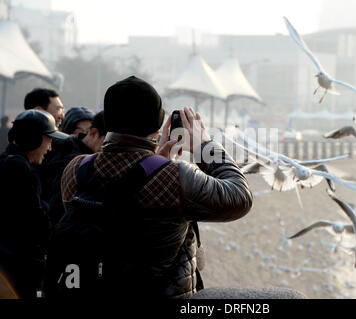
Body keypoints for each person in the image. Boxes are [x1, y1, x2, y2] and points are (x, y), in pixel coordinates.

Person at [58, 75, 253, 298]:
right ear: (156, 125)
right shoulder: (175, 176)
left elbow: (107, 218)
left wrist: (154, 162)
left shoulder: (76, 169)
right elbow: (240, 196)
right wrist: (204, 145)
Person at [0, 110, 68, 299]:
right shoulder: (19, 169)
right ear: (33, 139)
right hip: (17, 268)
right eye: (48, 140)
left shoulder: (7, 162)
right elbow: (35, 220)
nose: (50, 148)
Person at [39, 111, 106, 226]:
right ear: (93, 133)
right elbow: (58, 208)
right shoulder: (76, 163)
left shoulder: (66, 145)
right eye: (107, 142)